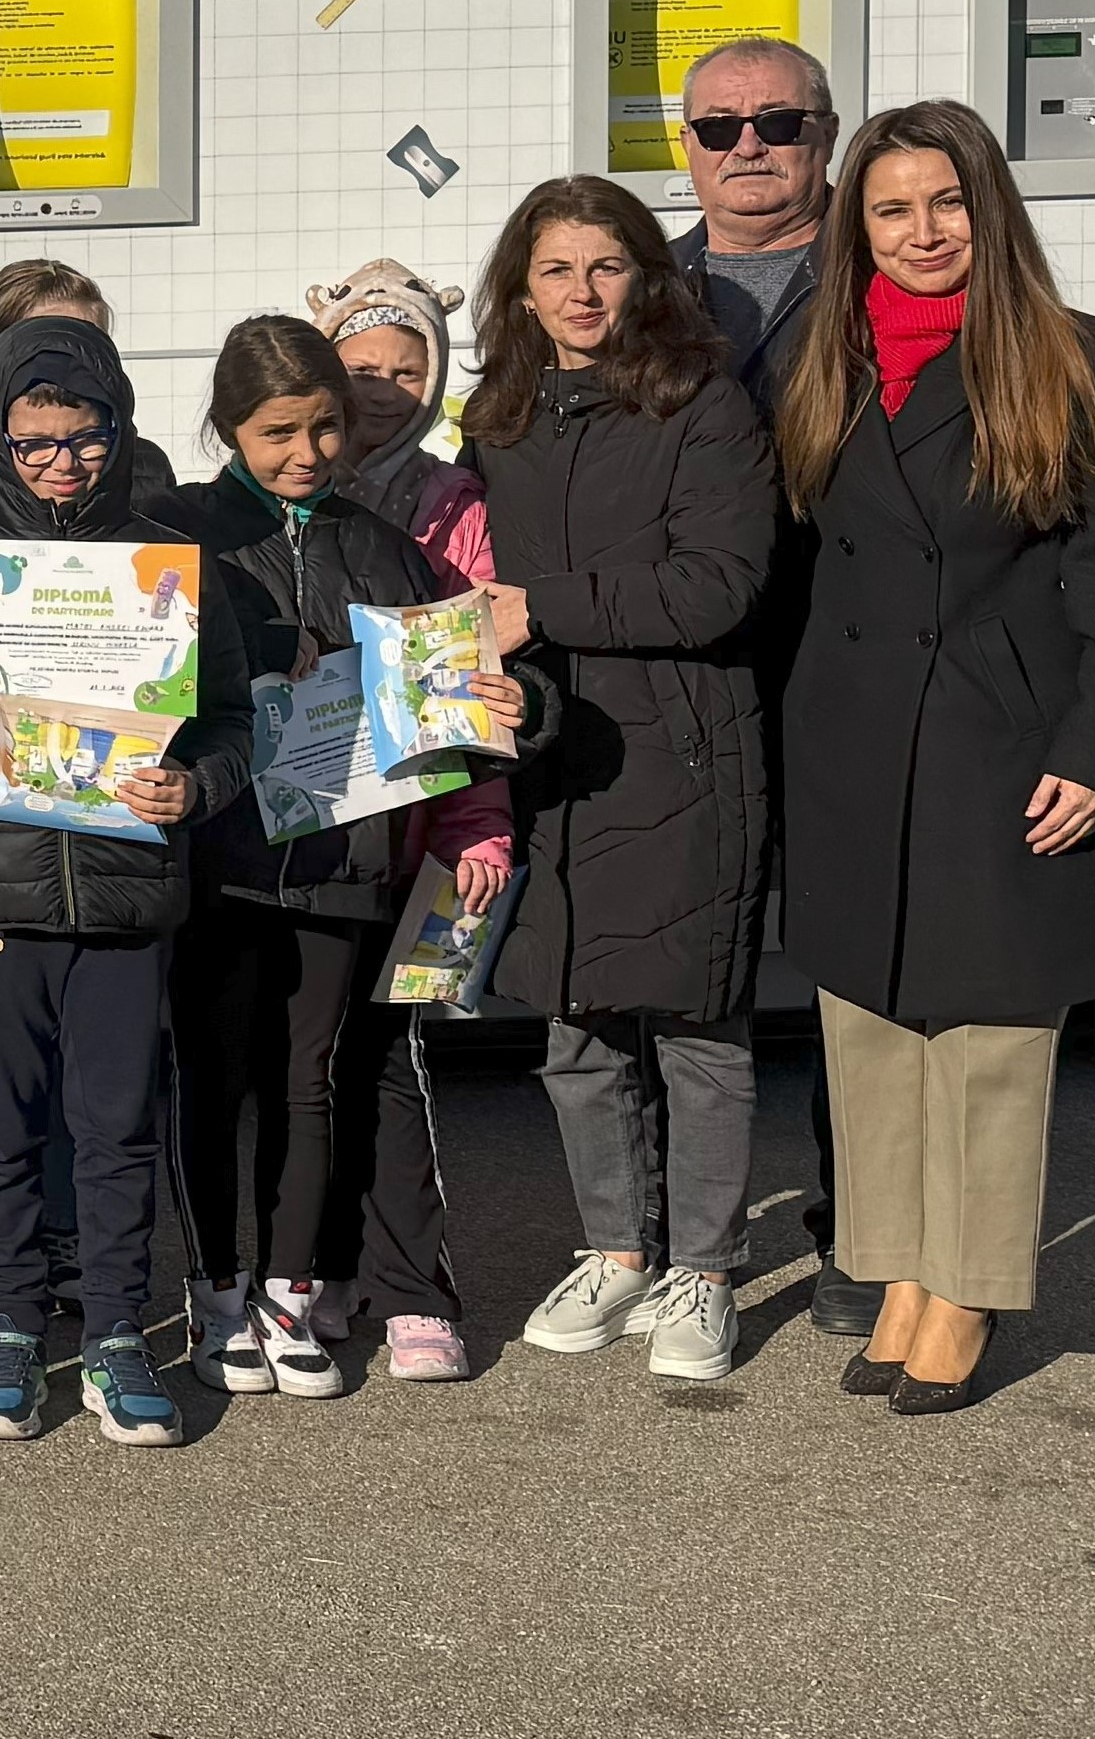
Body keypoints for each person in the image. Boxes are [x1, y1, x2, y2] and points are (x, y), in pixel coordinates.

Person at [773, 101, 1095, 1413]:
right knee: (873, 1024)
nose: (922, 232)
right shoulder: (822, 360)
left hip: (1004, 739)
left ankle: (967, 1290)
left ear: (988, 209)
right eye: (891, 209)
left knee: (989, 1033)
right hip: (853, 736)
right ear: (855, 226)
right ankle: (894, 1269)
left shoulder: (1074, 357)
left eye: (947, 203)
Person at [165, 319, 524, 1400]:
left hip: (344, 859)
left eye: (325, 427)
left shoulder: (383, 546)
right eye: (278, 431)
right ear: (228, 426)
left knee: (309, 1079)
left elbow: (455, 705)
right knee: (214, 1075)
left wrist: (481, 807)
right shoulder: (184, 535)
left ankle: (289, 1286)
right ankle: (213, 1288)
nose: (307, 452)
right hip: (218, 860)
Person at [462, 176, 781, 1388]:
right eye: (555, 270)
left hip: (687, 749)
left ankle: (702, 1265)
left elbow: (717, 588)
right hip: (550, 752)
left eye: (605, 266)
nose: (581, 293)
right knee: (577, 1028)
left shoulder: (700, 404)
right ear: (519, 287)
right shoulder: (497, 416)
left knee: (698, 1029)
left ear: (646, 276)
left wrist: (540, 609)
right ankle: (615, 1247)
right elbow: (463, 579)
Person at [0, 313, 248, 1450]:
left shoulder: (171, 557)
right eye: (35, 440)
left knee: (115, 1129)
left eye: (85, 435)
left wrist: (192, 791)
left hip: (124, 897)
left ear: (119, 424)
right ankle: (9, 1320)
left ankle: (112, 1328)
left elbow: (235, 721)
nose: (62, 460)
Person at [668, 31, 876, 1339]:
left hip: (847, 671)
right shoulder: (637, 286)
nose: (749, 147)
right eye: (719, 127)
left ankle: (861, 1236)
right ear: (684, 145)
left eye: (780, 123)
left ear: (826, 134)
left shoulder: (882, 273)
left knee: (862, 964)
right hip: (681, 682)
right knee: (690, 962)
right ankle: (676, 1248)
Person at [304, 260, 486, 567]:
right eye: (363, 372)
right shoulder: (278, 481)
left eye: (407, 374)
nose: (385, 395)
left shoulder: (456, 505)